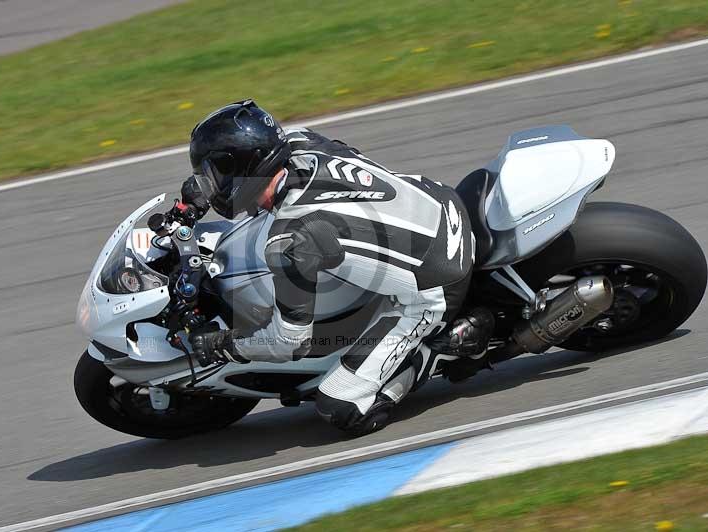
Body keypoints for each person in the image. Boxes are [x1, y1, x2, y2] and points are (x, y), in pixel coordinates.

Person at [183, 100, 493, 435]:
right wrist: (194, 202)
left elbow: (289, 342)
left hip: (438, 280)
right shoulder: (299, 142)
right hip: (438, 199)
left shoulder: (290, 240)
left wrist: (225, 345)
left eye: (214, 176)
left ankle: (437, 351)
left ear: (243, 166)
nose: (209, 187)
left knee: (340, 406)